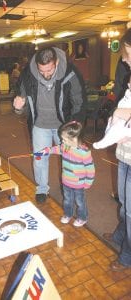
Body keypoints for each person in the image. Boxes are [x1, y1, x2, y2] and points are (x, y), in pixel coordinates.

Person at [13, 46, 86, 203]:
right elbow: (22, 100)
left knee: (69, 158)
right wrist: (18, 107)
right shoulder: (28, 74)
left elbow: (79, 102)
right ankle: (42, 188)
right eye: (42, 71)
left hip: (63, 126)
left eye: (49, 70)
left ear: (57, 62)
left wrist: (74, 126)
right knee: (39, 158)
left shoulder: (70, 73)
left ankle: (68, 186)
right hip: (40, 125)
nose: (45, 75)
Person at [102, 28, 131, 271]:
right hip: (126, 152)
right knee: (124, 202)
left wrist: (123, 113)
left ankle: (127, 257)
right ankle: (122, 237)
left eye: (126, 52)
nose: (122, 58)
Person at [34, 121, 95, 226]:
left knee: (80, 202)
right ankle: (68, 214)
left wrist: (88, 182)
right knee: (67, 200)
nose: (62, 141)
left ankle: (82, 217)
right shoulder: (65, 147)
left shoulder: (84, 152)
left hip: (79, 183)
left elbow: (90, 169)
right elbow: (56, 149)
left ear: (74, 139)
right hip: (66, 181)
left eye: (64, 139)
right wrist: (46, 150)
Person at [93, 83, 131, 149]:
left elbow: (118, 111)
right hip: (123, 149)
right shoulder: (127, 94)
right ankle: (107, 137)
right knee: (111, 122)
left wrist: (117, 113)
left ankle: (105, 141)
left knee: (117, 127)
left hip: (125, 127)